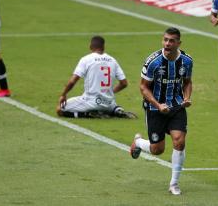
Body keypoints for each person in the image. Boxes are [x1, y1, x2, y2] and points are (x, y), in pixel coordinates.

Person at [130, 27, 193, 195]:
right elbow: (143, 87)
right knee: (157, 150)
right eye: (165, 39)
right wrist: (158, 105)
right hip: (154, 109)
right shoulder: (153, 61)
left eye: (171, 41)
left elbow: (187, 82)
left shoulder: (186, 61)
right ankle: (138, 143)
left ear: (178, 43)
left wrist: (186, 98)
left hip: (177, 106)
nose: (167, 43)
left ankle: (174, 183)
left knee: (179, 141)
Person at [56, 36, 136, 119]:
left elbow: (73, 81)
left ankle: (88, 114)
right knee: (110, 104)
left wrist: (63, 94)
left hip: (91, 102)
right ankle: (116, 110)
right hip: (109, 103)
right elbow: (124, 83)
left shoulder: (86, 59)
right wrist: (109, 92)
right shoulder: (113, 60)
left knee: (60, 109)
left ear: (90, 47)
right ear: (104, 47)